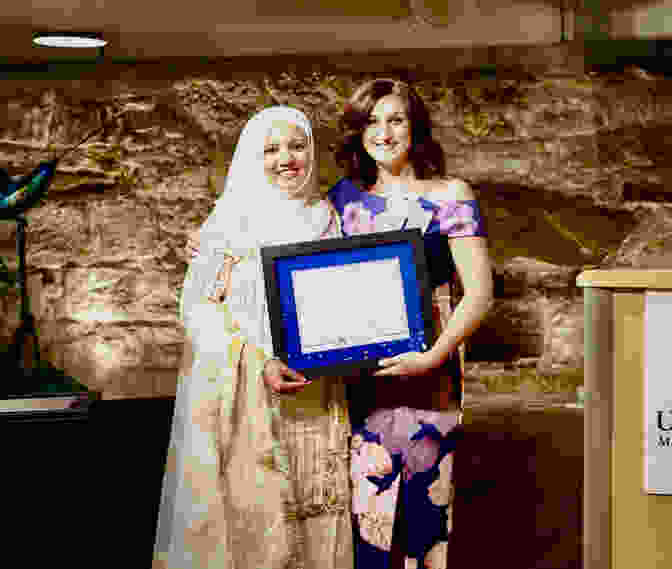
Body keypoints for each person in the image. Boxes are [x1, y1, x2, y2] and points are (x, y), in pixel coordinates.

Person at [154, 106, 354, 569]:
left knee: (317, 516)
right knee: (257, 530)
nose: (287, 158)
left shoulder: (326, 217)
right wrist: (258, 360)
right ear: (251, 157)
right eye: (271, 149)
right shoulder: (228, 221)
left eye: (298, 146)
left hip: (316, 393)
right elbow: (199, 312)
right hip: (249, 398)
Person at [330, 78, 494, 569]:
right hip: (362, 380)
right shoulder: (341, 199)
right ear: (358, 132)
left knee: (426, 518)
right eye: (371, 121)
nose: (383, 132)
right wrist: (216, 249)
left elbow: (479, 294)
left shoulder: (450, 195)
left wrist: (433, 357)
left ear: (415, 126)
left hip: (431, 375)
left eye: (395, 119)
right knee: (365, 518)